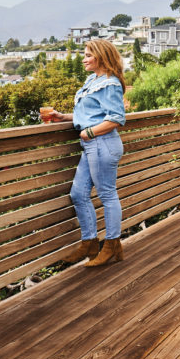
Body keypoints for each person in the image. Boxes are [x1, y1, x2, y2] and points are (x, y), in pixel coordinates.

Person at [43, 39, 127, 266]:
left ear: (101, 56)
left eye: (88, 55)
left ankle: (111, 244)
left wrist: (89, 132)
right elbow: (90, 113)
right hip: (92, 145)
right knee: (78, 194)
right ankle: (90, 242)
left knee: (107, 194)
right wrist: (63, 117)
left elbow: (116, 118)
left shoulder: (110, 83)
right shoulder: (93, 80)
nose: (84, 59)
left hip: (103, 143)